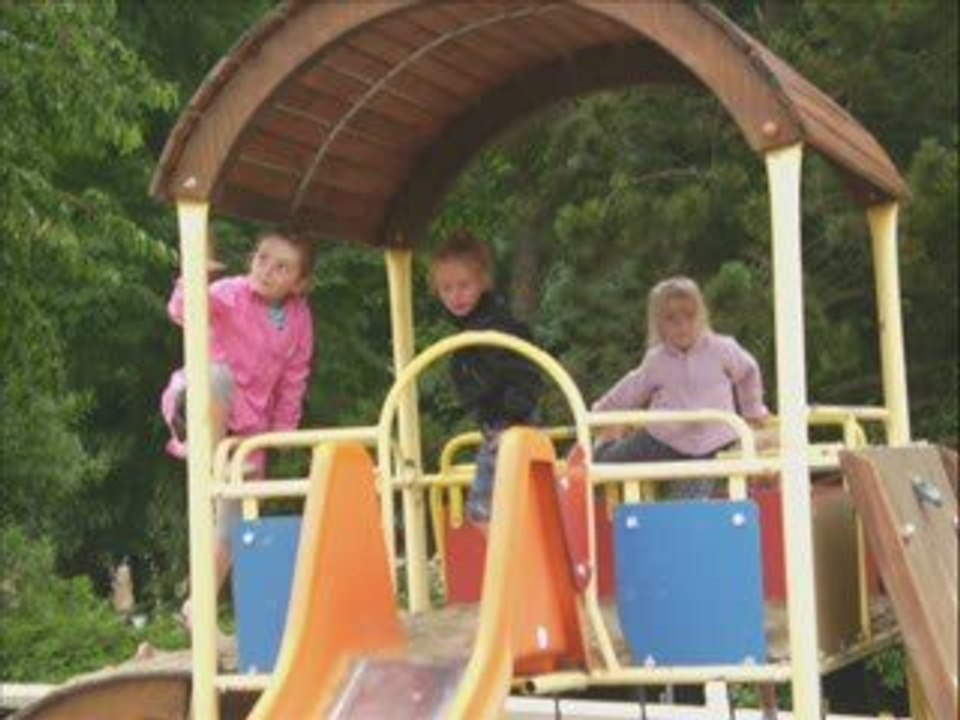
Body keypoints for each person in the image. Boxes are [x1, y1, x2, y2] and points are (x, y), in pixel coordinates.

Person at [161, 230, 316, 627]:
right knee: (217, 376)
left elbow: (295, 376)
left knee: (234, 526)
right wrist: (192, 278)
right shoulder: (231, 292)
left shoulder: (298, 318)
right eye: (262, 258)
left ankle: (198, 606)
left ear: (299, 283)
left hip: (249, 430)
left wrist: (283, 429)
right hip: (202, 404)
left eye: (282, 267)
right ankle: (210, 458)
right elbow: (182, 312)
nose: (267, 270)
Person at [592, 275, 770, 498]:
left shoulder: (722, 348)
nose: (682, 325)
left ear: (701, 316)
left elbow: (748, 371)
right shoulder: (657, 359)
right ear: (659, 324)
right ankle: (601, 447)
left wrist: (752, 411)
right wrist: (601, 413)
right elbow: (631, 388)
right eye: (671, 319)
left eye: (689, 316)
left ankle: (682, 513)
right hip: (665, 437)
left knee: (689, 499)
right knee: (604, 463)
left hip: (712, 441)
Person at [431, 229, 542, 526]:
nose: (455, 296)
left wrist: (512, 421)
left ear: (483, 282)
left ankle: (508, 555)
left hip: (509, 425)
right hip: (498, 426)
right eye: (446, 288)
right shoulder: (470, 332)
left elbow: (526, 375)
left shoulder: (496, 327)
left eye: (464, 285)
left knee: (483, 509)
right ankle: (512, 552)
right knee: (498, 508)